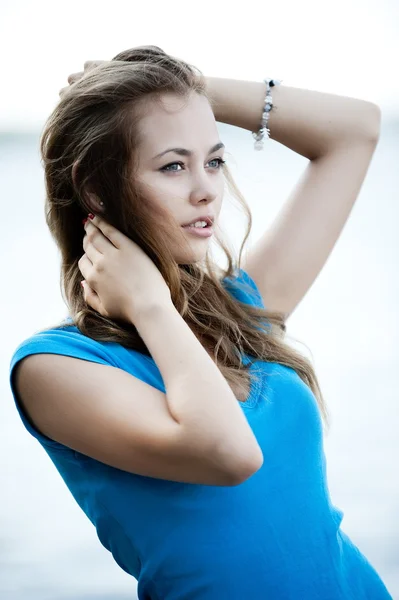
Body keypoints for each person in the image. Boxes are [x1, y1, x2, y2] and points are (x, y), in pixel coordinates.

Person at [9, 45, 392, 599]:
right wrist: (149, 306)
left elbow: (355, 130)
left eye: (213, 160)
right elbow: (229, 454)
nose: (206, 188)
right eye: (172, 165)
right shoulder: (53, 368)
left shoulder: (239, 314)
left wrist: (178, 94)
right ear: (93, 187)